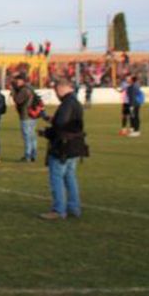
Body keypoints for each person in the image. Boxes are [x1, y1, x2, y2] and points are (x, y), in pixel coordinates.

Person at [38, 77, 88, 220]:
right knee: (70, 177)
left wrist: (46, 132)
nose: (56, 94)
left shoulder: (67, 103)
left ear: (61, 88)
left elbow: (61, 125)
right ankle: (74, 208)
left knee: (57, 178)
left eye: (56, 91)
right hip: (75, 145)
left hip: (63, 146)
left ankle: (59, 210)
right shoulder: (75, 102)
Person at [11, 73, 39, 163]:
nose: (16, 82)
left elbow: (18, 100)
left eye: (18, 80)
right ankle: (33, 154)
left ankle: (28, 155)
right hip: (32, 114)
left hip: (26, 115)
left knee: (27, 136)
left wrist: (14, 91)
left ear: (22, 80)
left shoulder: (24, 90)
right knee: (32, 136)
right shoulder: (30, 88)